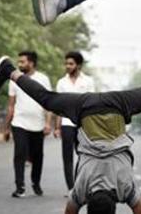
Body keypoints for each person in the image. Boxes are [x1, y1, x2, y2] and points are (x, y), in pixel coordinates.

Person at [0, 52, 141, 214]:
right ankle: (9, 70)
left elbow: (140, 209)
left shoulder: (125, 187)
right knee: (46, 98)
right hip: (86, 105)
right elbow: (70, 209)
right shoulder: (81, 190)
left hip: (118, 104)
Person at [3, 50, 52, 198]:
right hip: (19, 123)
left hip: (38, 124)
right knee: (19, 154)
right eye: (19, 62)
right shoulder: (14, 79)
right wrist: (6, 127)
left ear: (31, 63)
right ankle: (20, 187)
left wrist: (48, 123)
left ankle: (35, 183)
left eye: (22, 62)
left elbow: (48, 103)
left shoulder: (43, 79)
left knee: (37, 157)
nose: (19, 64)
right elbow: (11, 105)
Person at [55, 51, 95, 193]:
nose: (67, 66)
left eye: (70, 64)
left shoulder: (88, 81)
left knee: (84, 155)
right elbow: (58, 106)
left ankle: (81, 184)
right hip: (66, 123)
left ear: (78, 65)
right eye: (66, 63)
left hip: (82, 124)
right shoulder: (61, 82)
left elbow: (91, 104)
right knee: (67, 157)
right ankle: (71, 188)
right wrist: (57, 127)